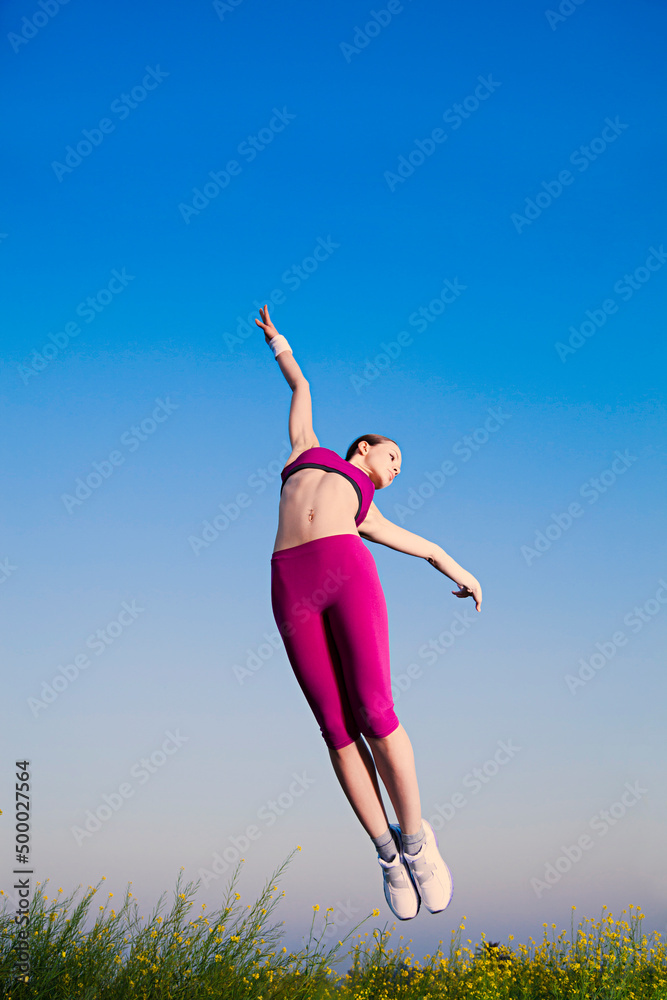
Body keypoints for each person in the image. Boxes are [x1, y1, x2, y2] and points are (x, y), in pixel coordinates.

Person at [256, 304, 482, 920]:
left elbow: (427, 546)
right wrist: (281, 344)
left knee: (375, 713)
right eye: (394, 459)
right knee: (335, 727)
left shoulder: (367, 512)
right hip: (289, 584)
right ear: (365, 448)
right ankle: (386, 853)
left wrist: (461, 573)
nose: (396, 471)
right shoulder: (309, 450)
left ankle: (416, 840)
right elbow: (302, 386)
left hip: (346, 575)